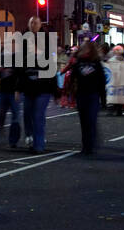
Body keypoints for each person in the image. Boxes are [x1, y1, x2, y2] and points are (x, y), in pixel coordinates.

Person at [21, 19, 59, 153]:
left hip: (43, 87)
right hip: (28, 87)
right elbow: (19, 69)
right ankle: (30, 136)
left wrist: (56, 92)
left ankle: (38, 144)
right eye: (31, 22)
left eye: (36, 23)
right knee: (27, 115)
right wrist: (17, 88)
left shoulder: (47, 43)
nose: (33, 25)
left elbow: (52, 68)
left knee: (38, 115)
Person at [65, 39, 105, 154]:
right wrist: (70, 91)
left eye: (86, 48)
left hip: (93, 94)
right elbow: (73, 77)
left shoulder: (96, 62)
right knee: (83, 121)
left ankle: (91, 144)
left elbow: (101, 81)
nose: (84, 49)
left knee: (91, 120)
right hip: (81, 94)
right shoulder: (79, 62)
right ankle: (85, 145)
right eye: (83, 48)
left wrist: (103, 99)